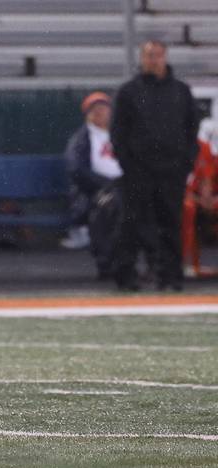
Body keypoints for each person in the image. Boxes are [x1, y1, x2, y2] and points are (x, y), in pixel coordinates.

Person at [110, 40, 199, 291]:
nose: (153, 60)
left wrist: (186, 162)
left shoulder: (181, 91)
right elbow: (118, 131)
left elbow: (191, 129)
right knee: (131, 223)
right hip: (138, 170)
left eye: (158, 55)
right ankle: (125, 276)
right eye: (149, 55)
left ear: (165, 57)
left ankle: (170, 276)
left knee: (171, 223)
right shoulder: (128, 92)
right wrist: (128, 163)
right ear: (141, 58)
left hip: (172, 171)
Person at [61, 92, 123, 258]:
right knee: (110, 206)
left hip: (122, 188)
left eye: (103, 108)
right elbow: (76, 169)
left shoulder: (120, 134)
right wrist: (105, 185)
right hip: (92, 193)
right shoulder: (81, 139)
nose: (100, 112)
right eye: (94, 109)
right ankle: (108, 261)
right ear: (87, 114)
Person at [182, 118, 218, 277]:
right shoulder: (171, 146)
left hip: (201, 196)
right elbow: (175, 184)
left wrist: (210, 198)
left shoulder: (203, 147)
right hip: (179, 195)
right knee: (187, 208)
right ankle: (187, 263)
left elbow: (206, 178)